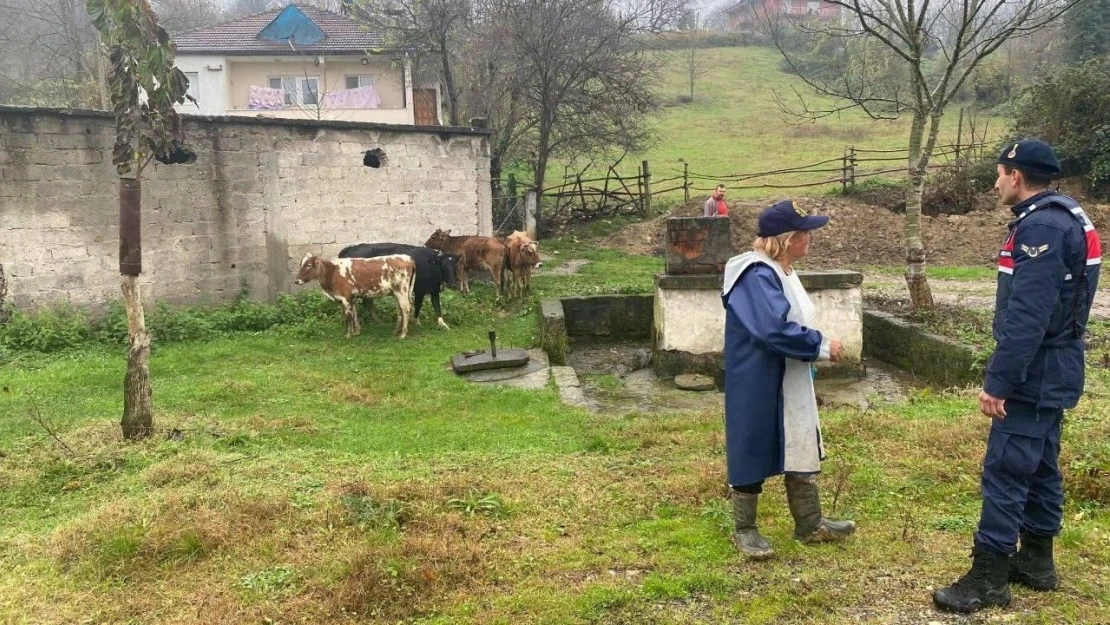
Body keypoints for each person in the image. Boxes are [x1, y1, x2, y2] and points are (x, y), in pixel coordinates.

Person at [933, 140, 1102, 613]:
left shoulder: (1042, 226)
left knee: (1006, 469)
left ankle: (988, 578)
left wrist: (998, 381)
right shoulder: (1067, 214)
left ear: (1017, 176)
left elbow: (1029, 315)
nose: (995, 182)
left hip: (1035, 370)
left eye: (1000, 173)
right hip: (1056, 365)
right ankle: (1037, 562)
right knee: (1042, 465)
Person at [720, 199, 854, 560]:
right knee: (752, 442)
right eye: (804, 233)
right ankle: (745, 530)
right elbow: (771, 330)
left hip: (788, 373)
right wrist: (821, 346)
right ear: (787, 238)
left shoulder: (781, 270)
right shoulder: (755, 274)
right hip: (758, 376)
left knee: (799, 435)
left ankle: (810, 523)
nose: (810, 238)